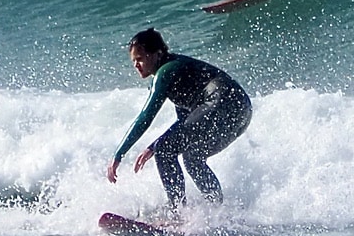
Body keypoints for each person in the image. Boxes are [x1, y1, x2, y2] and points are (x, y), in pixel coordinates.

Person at [106, 28, 252, 212]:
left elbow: (146, 116)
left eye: (140, 58)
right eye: (133, 61)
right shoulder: (177, 71)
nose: (136, 65)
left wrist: (118, 154)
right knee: (192, 157)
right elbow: (186, 122)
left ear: (157, 54)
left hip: (223, 103)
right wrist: (153, 146)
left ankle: (177, 212)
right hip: (241, 111)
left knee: (165, 150)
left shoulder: (167, 71)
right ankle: (218, 212)